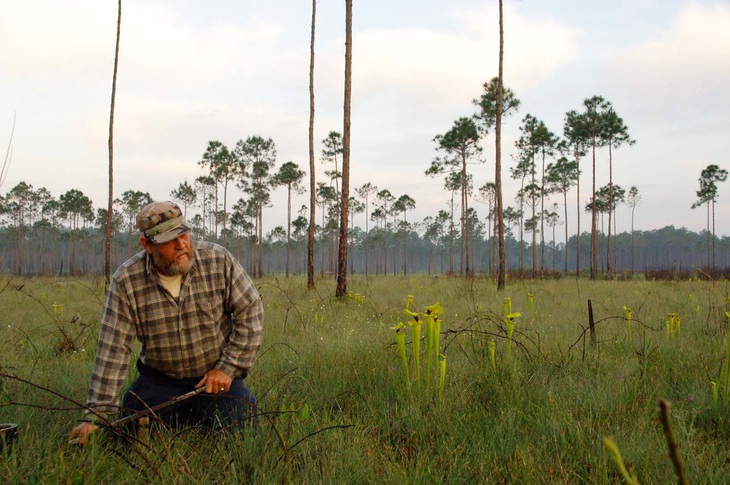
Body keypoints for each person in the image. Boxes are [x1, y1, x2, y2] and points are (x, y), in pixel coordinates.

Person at [69, 201, 263, 445]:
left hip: (215, 382)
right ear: (147, 245)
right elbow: (113, 350)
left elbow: (250, 311)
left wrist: (228, 367)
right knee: (129, 437)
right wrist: (96, 416)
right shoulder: (127, 281)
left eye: (184, 234)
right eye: (170, 239)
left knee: (244, 431)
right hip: (159, 380)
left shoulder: (219, 261)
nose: (182, 245)